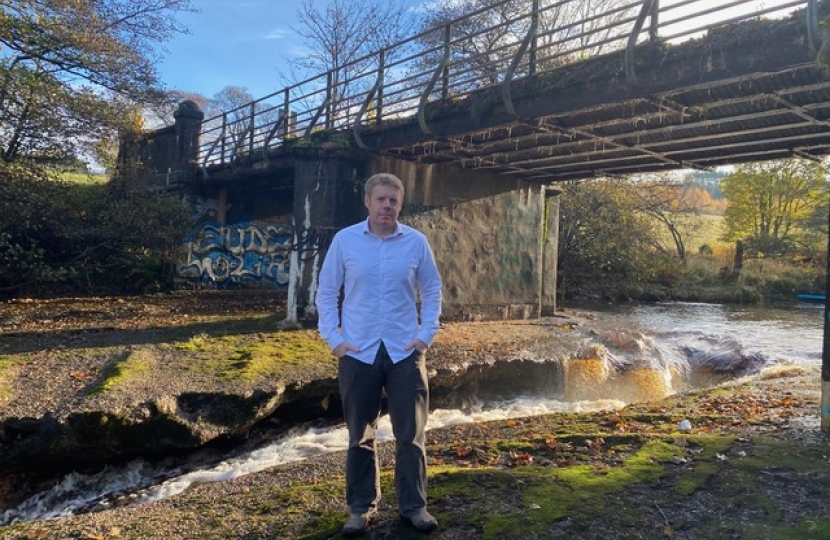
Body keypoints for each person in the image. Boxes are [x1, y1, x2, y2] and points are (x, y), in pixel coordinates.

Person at [315, 172, 443, 537]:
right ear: (368, 202)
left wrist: (425, 336)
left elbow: (432, 289)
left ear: (400, 204)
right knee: (359, 435)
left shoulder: (416, 242)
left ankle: (414, 507)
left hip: (405, 351)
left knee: (411, 435)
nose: (387, 205)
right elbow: (326, 292)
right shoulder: (346, 241)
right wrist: (335, 340)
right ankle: (360, 508)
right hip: (358, 351)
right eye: (381, 199)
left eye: (393, 200)